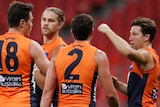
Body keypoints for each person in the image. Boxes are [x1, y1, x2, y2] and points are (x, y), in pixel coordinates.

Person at [40, 13, 119, 107]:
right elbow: (111, 95)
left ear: (72, 32)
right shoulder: (99, 56)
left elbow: (47, 92)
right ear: (91, 32)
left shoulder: (58, 53)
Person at [97, 17, 160, 107]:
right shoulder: (144, 59)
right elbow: (138, 92)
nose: (130, 38)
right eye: (130, 34)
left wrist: (108, 31)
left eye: (135, 34)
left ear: (146, 37)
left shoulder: (147, 56)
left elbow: (128, 52)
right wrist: (118, 85)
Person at [0, 1, 50, 107]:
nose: (31, 25)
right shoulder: (32, 45)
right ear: (22, 23)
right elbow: (52, 73)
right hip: (25, 102)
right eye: (31, 21)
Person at [34, 7, 67, 107]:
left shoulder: (60, 48)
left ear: (60, 24)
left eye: (51, 21)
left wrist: (33, 71)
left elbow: (53, 86)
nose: (46, 23)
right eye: (43, 20)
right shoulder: (39, 48)